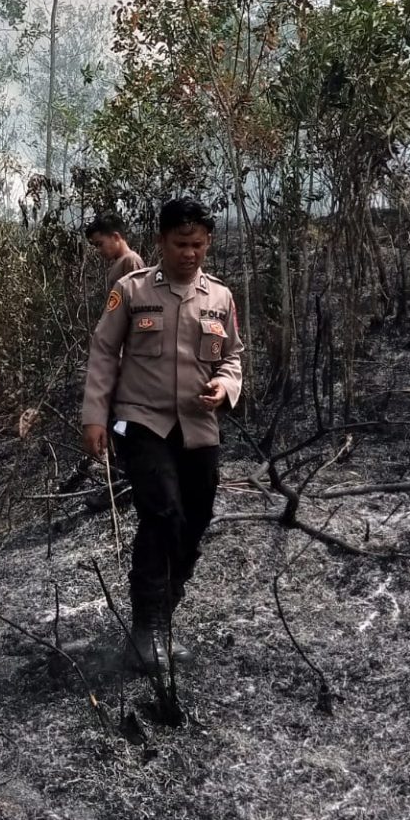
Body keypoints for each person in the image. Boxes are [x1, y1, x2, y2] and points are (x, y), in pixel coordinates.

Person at [81, 198, 243, 672]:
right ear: (161, 242)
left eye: (197, 244)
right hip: (142, 421)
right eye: (180, 244)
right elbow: (104, 351)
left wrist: (226, 385)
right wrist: (95, 416)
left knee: (194, 523)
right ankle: (147, 628)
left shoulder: (221, 297)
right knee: (162, 514)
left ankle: (162, 618)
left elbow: (233, 356)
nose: (189, 253)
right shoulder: (132, 290)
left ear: (207, 243)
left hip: (197, 427)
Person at [85, 212, 145, 288]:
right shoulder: (119, 262)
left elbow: (139, 296)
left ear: (116, 237)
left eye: (100, 244)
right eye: (96, 246)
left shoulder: (131, 261)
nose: (99, 250)